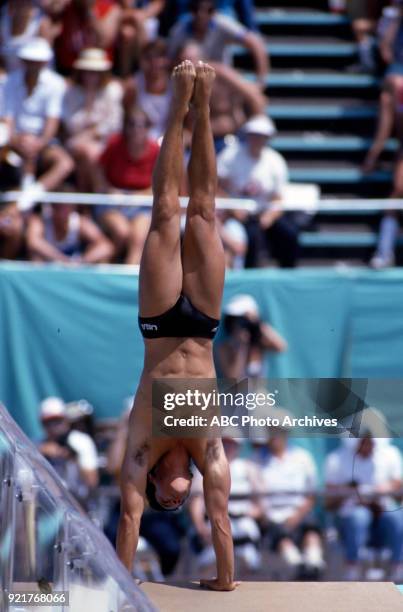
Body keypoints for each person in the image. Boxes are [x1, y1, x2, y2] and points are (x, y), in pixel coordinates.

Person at [116, 59, 239, 592]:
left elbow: (127, 520)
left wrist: (122, 587)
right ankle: (204, 105)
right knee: (204, 214)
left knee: (166, 212)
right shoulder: (207, 447)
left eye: (165, 498)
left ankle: (176, 105)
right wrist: (225, 581)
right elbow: (220, 521)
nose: (173, 498)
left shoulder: (142, 445)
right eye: (177, 501)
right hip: (205, 326)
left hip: (160, 324)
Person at [217, 115, 300, 268]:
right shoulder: (230, 156)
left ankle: (288, 271)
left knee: (290, 233)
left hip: (263, 212)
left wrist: (269, 216)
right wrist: (232, 207)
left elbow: (277, 198)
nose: (257, 140)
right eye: (254, 135)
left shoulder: (275, 161)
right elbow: (216, 187)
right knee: (251, 237)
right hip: (236, 213)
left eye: (262, 136)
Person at [1, 38, 73, 209]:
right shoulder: (9, 82)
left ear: (45, 63)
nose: (34, 66)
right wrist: (16, 140)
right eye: (31, 61)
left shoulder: (55, 84)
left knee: (65, 163)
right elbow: (7, 118)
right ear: (24, 61)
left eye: (38, 62)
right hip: (14, 140)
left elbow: (52, 122)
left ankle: (30, 196)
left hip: (43, 142)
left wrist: (38, 144)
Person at [254, 414, 325, 580]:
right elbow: (256, 496)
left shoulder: (303, 458)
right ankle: (297, 567)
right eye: (271, 431)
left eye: (278, 431)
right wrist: (266, 516)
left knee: (311, 531)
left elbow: (311, 494)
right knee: (278, 534)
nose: (274, 435)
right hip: (271, 516)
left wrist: (297, 516)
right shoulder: (256, 460)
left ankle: (314, 566)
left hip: (299, 513)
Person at [325, 434, 403, 581]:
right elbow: (329, 502)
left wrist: (387, 488)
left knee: (397, 517)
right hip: (350, 515)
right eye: (364, 441)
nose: (368, 446)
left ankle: (398, 567)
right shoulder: (335, 459)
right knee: (358, 517)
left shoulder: (391, 455)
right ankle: (353, 567)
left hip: (383, 513)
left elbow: (399, 491)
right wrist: (349, 491)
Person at [92, 106, 159, 264]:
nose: (136, 129)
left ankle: (128, 284)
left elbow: (160, 185)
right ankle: (106, 271)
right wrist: (108, 190)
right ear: (125, 127)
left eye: (141, 125)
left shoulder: (156, 151)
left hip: (142, 204)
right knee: (121, 232)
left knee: (137, 238)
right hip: (113, 203)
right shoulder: (114, 145)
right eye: (132, 124)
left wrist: (136, 196)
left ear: (148, 128)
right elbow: (97, 171)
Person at [189, 437, 262, 576]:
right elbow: (196, 500)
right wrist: (200, 526)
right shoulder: (203, 466)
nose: (227, 447)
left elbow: (260, 503)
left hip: (243, 523)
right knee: (210, 559)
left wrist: (245, 514)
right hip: (212, 522)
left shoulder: (248, 468)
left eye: (231, 443)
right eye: (224, 442)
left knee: (247, 556)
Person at [62, 47, 123, 192]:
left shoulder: (112, 90)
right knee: (88, 151)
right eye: (87, 72)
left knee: (89, 154)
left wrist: (91, 133)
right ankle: (100, 192)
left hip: (103, 142)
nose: (91, 76)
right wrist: (88, 100)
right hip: (76, 141)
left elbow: (115, 123)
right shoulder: (71, 92)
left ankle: (86, 202)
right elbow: (70, 124)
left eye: (95, 72)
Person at [167, 0, 268, 87]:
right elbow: (170, 61)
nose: (201, 14)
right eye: (196, 9)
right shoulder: (179, 30)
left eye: (208, 10)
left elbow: (255, 43)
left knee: (248, 93)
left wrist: (260, 82)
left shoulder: (223, 23)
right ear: (191, 11)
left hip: (221, 82)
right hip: (191, 84)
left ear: (214, 12)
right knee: (190, 54)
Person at [26, 190, 114, 264]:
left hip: (74, 269)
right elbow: (33, 242)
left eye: (67, 207)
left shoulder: (80, 222)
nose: (64, 211)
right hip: (47, 266)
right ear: (52, 208)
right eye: (59, 207)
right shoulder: (39, 221)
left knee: (102, 258)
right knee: (35, 255)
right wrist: (61, 259)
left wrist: (81, 262)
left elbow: (106, 247)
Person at [216, 294, 287, 379]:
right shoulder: (225, 347)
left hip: (258, 391)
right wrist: (242, 347)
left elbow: (281, 347)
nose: (238, 324)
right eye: (235, 319)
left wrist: (256, 322)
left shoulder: (260, 342)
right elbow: (232, 378)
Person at [39, 396, 99, 491]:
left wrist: (72, 456)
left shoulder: (81, 441)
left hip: (78, 502)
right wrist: (40, 455)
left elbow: (91, 482)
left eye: (57, 421)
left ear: (66, 420)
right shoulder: (38, 445)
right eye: (48, 422)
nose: (53, 426)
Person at [123, 38, 172, 140]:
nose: (154, 62)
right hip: (139, 139)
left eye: (159, 57)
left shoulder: (175, 85)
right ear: (142, 60)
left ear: (166, 60)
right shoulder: (132, 86)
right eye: (149, 58)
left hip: (167, 139)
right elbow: (127, 118)